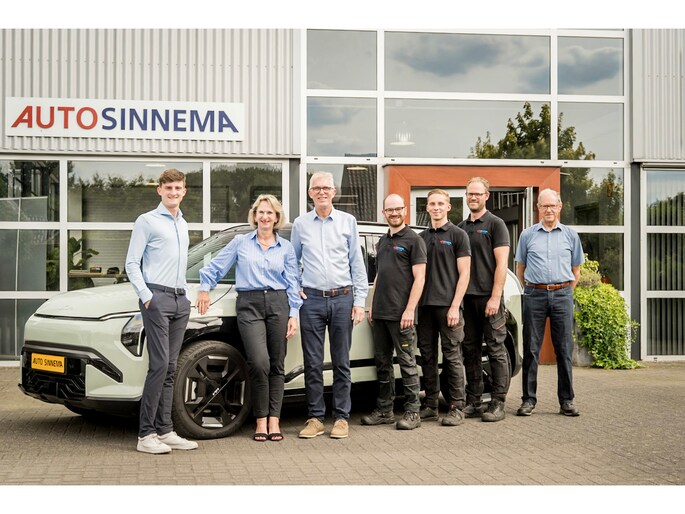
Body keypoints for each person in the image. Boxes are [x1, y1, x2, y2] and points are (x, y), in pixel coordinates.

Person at [195, 195, 301, 442]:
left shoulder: (285, 248)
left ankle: (274, 420)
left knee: (277, 364)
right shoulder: (240, 242)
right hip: (249, 305)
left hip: (278, 303)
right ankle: (260, 418)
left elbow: (293, 282)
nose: (265, 217)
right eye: (260, 212)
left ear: (276, 218)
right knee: (259, 362)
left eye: (270, 213)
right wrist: (204, 288)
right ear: (254, 215)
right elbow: (216, 267)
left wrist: (294, 314)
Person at [125, 168, 198, 454]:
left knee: (170, 367)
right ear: (160, 190)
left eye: (178, 188)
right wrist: (147, 297)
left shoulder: (183, 223)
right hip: (157, 299)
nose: (173, 192)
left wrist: (187, 295)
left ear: (184, 191)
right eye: (168, 188)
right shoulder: (147, 221)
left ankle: (165, 430)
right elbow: (132, 263)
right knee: (158, 366)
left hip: (180, 301)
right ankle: (146, 435)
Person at [291, 171, 368, 439]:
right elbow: (292, 261)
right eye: (317, 188)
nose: (322, 192)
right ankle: (315, 418)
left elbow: (357, 264)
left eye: (326, 188)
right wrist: (296, 288)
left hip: (343, 298)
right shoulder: (300, 224)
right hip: (311, 300)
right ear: (310, 193)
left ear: (334, 192)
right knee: (312, 363)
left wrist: (359, 302)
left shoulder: (348, 222)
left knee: (341, 362)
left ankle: (341, 418)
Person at [514, 188, 584, 417]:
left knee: (564, 350)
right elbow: (520, 268)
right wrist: (531, 290)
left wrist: (566, 291)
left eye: (552, 205)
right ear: (538, 208)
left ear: (560, 207)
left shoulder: (570, 235)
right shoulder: (527, 235)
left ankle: (567, 401)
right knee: (531, 349)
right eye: (544, 206)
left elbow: (576, 270)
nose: (549, 210)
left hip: (562, 294)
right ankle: (528, 400)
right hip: (534, 294)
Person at [361, 194, 426, 431]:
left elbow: (420, 278)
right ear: (384, 213)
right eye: (390, 210)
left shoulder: (414, 240)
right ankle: (385, 410)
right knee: (382, 363)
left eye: (398, 209)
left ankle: (413, 412)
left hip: (402, 315)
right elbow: (379, 274)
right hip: (380, 313)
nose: (394, 213)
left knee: (407, 363)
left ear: (405, 210)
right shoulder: (382, 241)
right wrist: (372, 306)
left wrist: (410, 309)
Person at [457, 177, 511, 422]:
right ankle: (474, 401)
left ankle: (498, 403)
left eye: (477, 194)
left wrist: (495, 297)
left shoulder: (496, 224)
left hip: (489, 300)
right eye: (470, 194)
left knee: (496, 350)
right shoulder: (461, 228)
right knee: (470, 351)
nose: (473, 197)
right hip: (467, 301)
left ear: (486, 196)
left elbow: (502, 264)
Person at [417, 189, 471, 426]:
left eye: (440, 203)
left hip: (449, 307)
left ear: (449, 207)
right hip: (425, 308)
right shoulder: (420, 237)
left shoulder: (458, 235)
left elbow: (465, 273)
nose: (436, 207)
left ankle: (457, 407)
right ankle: (430, 405)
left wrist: (455, 306)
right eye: (432, 204)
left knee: (452, 357)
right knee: (427, 357)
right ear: (427, 207)